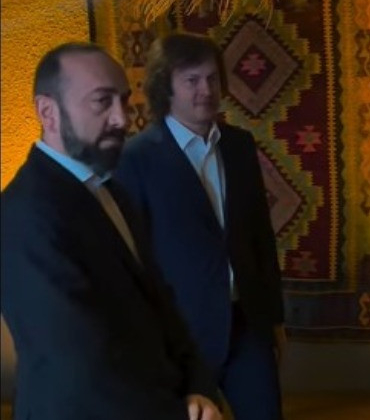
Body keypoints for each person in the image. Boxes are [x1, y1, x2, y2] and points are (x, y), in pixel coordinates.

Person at [0, 43, 222, 420]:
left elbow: (161, 307)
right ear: (48, 112)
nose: (122, 119)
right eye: (102, 102)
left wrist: (198, 388)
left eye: (124, 100)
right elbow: (83, 366)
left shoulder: (112, 191)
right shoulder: (24, 214)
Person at [114, 33, 285, 420]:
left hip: (246, 326)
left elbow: (260, 237)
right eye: (192, 80)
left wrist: (274, 318)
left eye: (212, 78)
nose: (206, 90)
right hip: (179, 334)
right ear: (165, 87)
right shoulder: (135, 159)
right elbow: (129, 260)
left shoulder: (240, 146)